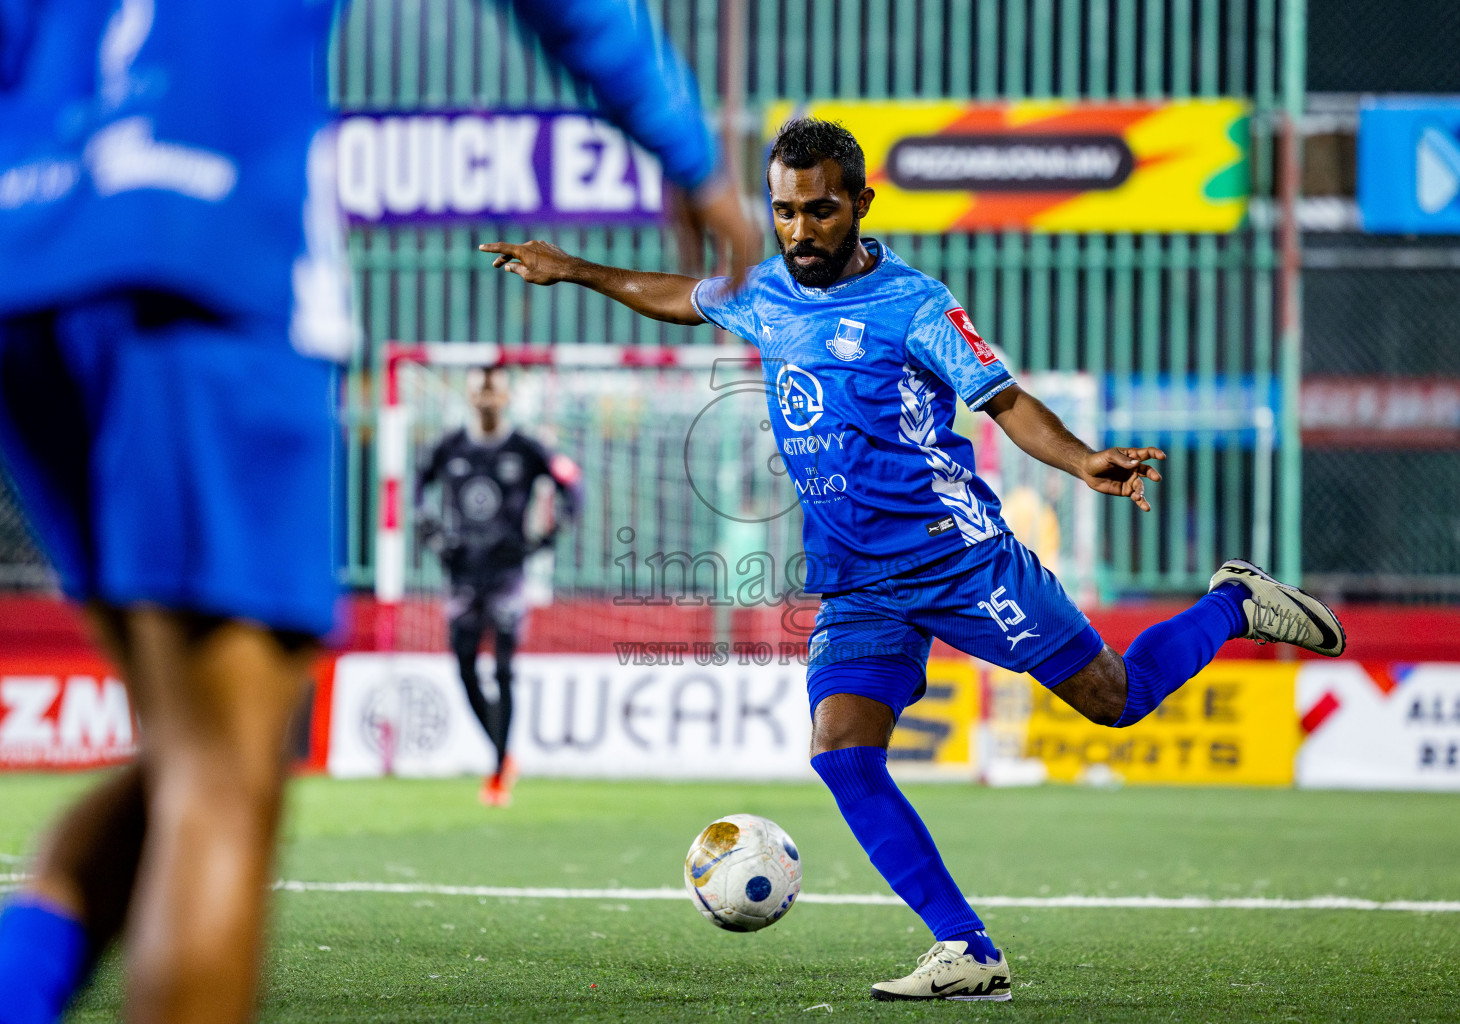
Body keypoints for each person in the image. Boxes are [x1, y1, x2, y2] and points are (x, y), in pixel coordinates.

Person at [0, 1, 757, 1021]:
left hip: (27, 263)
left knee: (194, 751)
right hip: (195, 248)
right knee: (220, 775)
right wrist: (689, 152)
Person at [480, 116, 1346, 1004]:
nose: (799, 231)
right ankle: (967, 949)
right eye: (783, 212)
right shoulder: (767, 291)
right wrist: (574, 269)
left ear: (860, 203)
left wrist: (1085, 459)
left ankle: (1232, 604)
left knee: (1115, 701)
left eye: (819, 211)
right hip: (857, 582)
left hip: (959, 561)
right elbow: (680, 295)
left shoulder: (915, 306)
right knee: (843, 753)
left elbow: (1004, 401)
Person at [416, 365, 582, 807]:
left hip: (508, 574)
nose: (486, 400)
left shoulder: (527, 448)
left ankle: (496, 772)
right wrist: (428, 530)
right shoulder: (448, 446)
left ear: (506, 398)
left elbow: (572, 486)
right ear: (469, 397)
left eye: (494, 393)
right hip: (462, 575)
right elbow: (415, 486)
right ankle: (503, 754)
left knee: (505, 670)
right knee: (466, 670)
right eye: (479, 392)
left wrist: (549, 534)